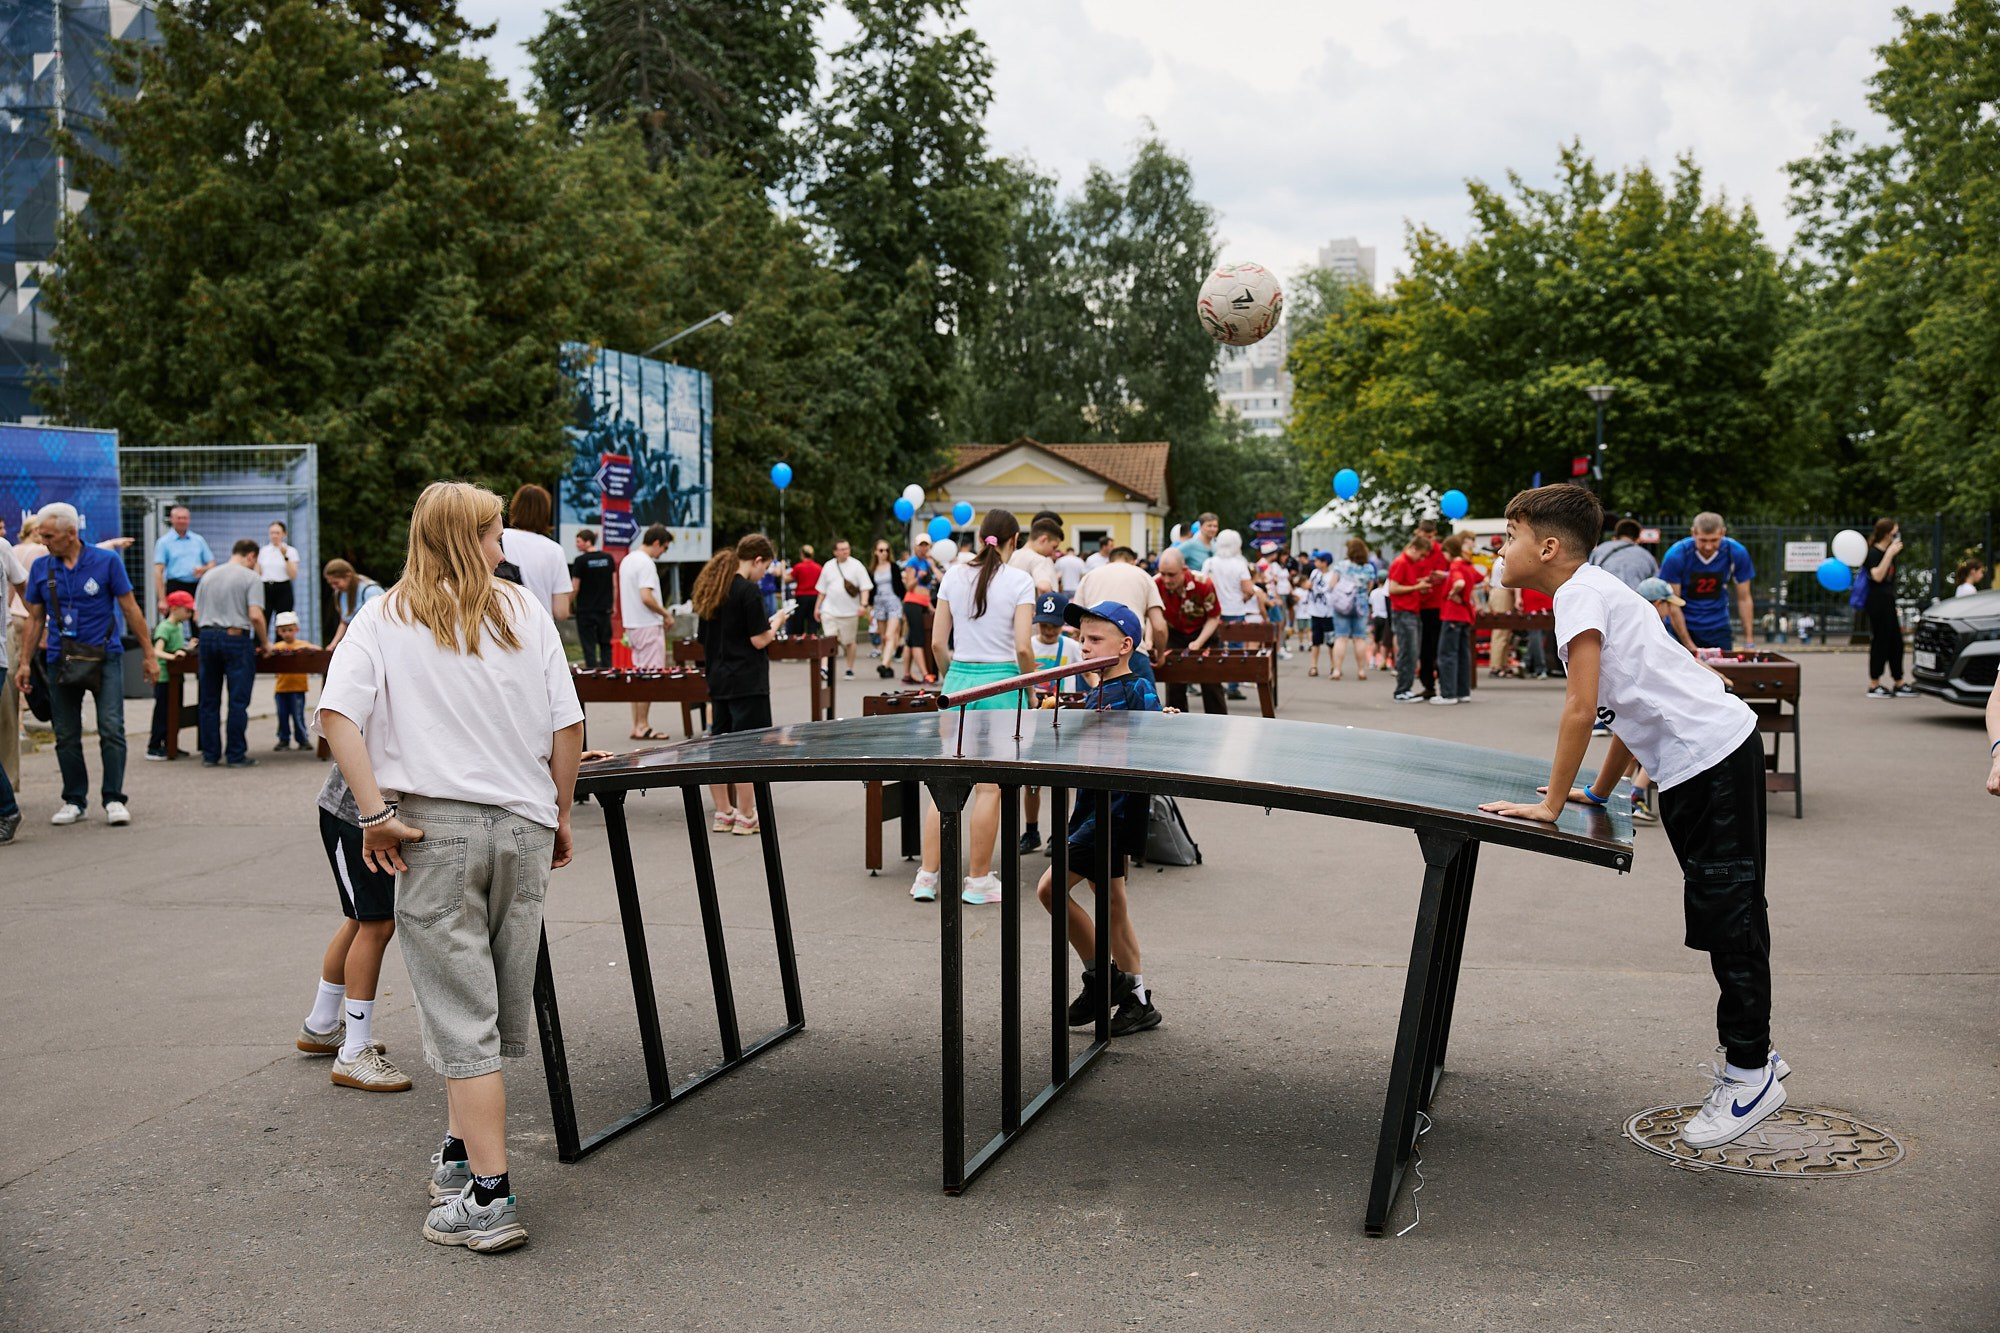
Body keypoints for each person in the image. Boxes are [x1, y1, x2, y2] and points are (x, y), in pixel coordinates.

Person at [316, 480, 585, 1254]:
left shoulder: (385, 614)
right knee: (486, 1008)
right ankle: (461, 1153)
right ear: (467, 538)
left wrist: (372, 811)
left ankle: (491, 1197)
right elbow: (567, 723)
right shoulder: (522, 610)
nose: (503, 546)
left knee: (462, 1014)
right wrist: (560, 812)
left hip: (436, 826)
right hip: (522, 824)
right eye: (495, 533)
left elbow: (339, 715)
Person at [1480, 484, 1785, 1150]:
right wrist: (1597, 788)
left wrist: (1552, 803)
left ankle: (1750, 1070)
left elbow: (1582, 706)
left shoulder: (1579, 595)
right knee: (1726, 907)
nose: (1502, 548)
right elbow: (1629, 708)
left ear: (1548, 546)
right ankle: (1751, 1056)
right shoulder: (1593, 591)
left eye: (1509, 535)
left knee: (1728, 911)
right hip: (1700, 757)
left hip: (1708, 757)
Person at [1035, 599, 1165, 1037]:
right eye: (1081, 638)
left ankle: (1102, 979)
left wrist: (1165, 721)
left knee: (1051, 890)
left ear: (1125, 645)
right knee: (1111, 901)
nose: (1084, 646)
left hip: (1115, 809)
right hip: (1091, 806)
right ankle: (1139, 1000)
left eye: (1095, 639)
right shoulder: (1098, 688)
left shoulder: (1137, 686)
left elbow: (1153, 739)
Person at [910, 509, 1036, 906]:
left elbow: (935, 645)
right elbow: (1022, 646)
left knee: (943, 786)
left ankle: (927, 877)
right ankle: (978, 881)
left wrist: (952, 678)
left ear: (982, 537)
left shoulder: (952, 575)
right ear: (1014, 539)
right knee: (989, 787)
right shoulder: (1020, 580)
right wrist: (1030, 688)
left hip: (958, 680)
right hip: (1002, 684)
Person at [15, 502, 159, 826]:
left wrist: (149, 655)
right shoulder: (42, 567)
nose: (43, 542)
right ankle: (74, 799)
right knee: (65, 732)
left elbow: (130, 609)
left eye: (49, 536)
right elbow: (35, 618)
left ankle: (113, 799)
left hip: (105, 655)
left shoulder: (106, 561)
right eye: (41, 535)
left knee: (111, 727)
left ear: (71, 534)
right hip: (60, 657)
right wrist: (24, 663)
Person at [296, 762, 413, 1094]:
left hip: (367, 814)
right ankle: (354, 1052)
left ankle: (322, 1025)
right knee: (375, 924)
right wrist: (374, 815)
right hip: (357, 817)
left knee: (363, 920)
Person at [692, 534, 787, 835]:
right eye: (766, 567)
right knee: (749, 748)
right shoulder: (748, 591)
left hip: (718, 678)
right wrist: (777, 622)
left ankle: (723, 812)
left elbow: (702, 638)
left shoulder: (713, 589)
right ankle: (746, 814)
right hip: (747, 679)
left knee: (718, 747)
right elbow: (759, 638)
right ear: (757, 560)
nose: (764, 574)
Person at [1019, 591, 1084, 854]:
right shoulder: (1028, 645)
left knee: (1061, 779)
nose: (1048, 630)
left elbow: (1087, 672)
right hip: (1034, 714)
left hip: (1063, 715)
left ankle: (1060, 832)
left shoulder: (1070, 646)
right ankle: (1031, 830)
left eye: (1054, 625)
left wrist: (1096, 688)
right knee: (1031, 781)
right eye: (1044, 625)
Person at [195, 539, 269, 768]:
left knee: (208, 700)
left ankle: (210, 754)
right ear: (251, 557)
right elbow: (255, 614)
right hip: (236, 638)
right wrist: (265, 642)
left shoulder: (208, 576)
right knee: (237, 700)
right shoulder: (251, 577)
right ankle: (235, 754)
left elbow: (196, 616)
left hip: (207, 637)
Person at [1627, 577, 1687, 825]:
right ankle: (1635, 792)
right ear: (1658, 603)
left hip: (1632, 699)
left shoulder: (1633, 625)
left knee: (1633, 747)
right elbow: (1685, 661)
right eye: (1668, 605)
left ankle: (1616, 792)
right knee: (1661, 744)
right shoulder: (1655, 629)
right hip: (1651, 701)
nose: (1670, 611)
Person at [1659, 513, 1756, 651]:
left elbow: (1744, 598)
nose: (1708, 546)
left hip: (1718, 626)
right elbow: (1673, 603)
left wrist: (1749, 641)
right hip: (1683, 626)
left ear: (1723, 533)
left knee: (1721, 671)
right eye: (1703, 540)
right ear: (1693, 533)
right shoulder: (1677, 555)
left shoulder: (1736, 553)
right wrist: (1689, 646)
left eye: (1714, 540)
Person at [1154, 547, 1224, 714]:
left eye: (1171, 575)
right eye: (1163, 573)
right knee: (1175, 682)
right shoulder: (1155, 583)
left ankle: (1218, 723)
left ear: (1183, 570)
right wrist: (1151, 640)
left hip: (1203, 632)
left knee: (1211, 682)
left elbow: (1214, 616)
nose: (1166, 579)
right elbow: (1152, 614)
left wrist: (1199, 642)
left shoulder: (1203, 583)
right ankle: (1175, 725)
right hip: (1174, 633)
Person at [1077, 546, 1168, 673]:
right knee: (1142, 691)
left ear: (1109, 561)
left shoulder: (1090, 576)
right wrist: (1160, 655)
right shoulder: (1143, 576)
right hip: (1132, 651)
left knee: (1092, 693)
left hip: (1092, 654)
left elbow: (1077, 625)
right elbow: (1159, 627)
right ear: (1133, 561)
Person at [618, 525, 672, 738]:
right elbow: (646, 597)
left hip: (632, 625)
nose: (663, 553)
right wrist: (665, 614)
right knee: (649, 677)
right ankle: (642, 725)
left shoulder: (628, 559)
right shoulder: (646, 562)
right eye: (664, 548)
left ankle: (637, 725)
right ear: (657, 542)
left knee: (639, 675)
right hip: (647, 624)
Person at [499, 484, 571, 623]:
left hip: (505, 626)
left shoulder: (499, 538)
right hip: (540, 631)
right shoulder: (555, 550)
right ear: (545, 512)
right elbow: (561, 611)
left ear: (515, 508)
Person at [1861, 518, 1912, 698]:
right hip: (1876, 601)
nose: (1896, 536)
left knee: (1896, 641)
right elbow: (1877, 576)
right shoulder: (1873, 552)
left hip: (1888, 600)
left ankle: (1899, 681)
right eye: (1894, 532)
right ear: (1885, 533)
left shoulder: (1890, 551)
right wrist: (1889, 554)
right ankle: (1874, 684)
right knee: (1880, 641)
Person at [142, 591, 196, 760]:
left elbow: (177, 649)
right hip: (165, 676)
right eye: (186, 610)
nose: (189, 614)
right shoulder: (165, 627)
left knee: (175, 712)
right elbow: (157, 650)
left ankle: (170, 742)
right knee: (162, 711)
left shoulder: (178, 627)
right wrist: (173, 657)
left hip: (176, 676)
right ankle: (154, 746)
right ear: (175, 608)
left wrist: (188, 648)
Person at [1385, 533, 1438, 702]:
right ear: (1414, 548)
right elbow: (1393, 589)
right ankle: (1402, 690)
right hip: (1403, 612)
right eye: (1421, 554)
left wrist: (1418, 585)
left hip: (1410, 611)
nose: (1422, 559)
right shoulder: (1401, 562)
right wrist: (1417, 586)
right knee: (1408, 652)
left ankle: (1404, 689)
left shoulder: (1406, 562)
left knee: (1411, 652)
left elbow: (1401, 585)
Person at [1433, 533, 1484, 704]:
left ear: (1449, 551)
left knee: (1447, 654)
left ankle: (1448, 693)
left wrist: (1452, 593)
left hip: (1452, 614)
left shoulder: (1455, 566)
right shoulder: (1467, 565)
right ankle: (1463, 691)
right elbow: (1481, 578)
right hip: (1465, 615)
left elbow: (1459, 583)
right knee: (1463, 654)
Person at [815, 538, 870, 680]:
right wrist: (817, 607)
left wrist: (863, 605)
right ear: (835, 552)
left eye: (847, 548)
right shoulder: (828, 566)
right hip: (829, 610)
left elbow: (865, 587)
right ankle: (825, 668)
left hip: (850, 612)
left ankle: (849, 668)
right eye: (842, 549)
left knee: (849, 642)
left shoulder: (857, 566)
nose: (846, 551)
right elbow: (822, 590)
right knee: (829, 638)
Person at [0, 519, 27, 794]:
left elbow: (24, 590)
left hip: (3, 640)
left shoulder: (3, 548)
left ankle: (7, 787)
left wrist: (41, 629)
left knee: (6, 717)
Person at [1327, 538, 1377, 682]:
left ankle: (1336, 670)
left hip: (1342, 605)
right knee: (1359, 638)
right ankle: (1361, 670)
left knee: (1341, 637)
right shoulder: (1368, 568)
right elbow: (1369, 586)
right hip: (1360, 605)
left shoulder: (1341, 566)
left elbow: (1332, 584)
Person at [269, 611, 319, 751]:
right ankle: (283, 739)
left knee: (298, 716)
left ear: (296, 630)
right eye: (284, 630)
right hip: (281, 688)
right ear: (279, 631)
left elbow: (318, 649)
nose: (287, 633)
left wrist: (304, 648)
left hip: (298, 688)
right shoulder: (277, 647)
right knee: (282, 716)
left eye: (290, 630)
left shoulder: (302, 644)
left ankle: (303, 739)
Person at [151, 505, 215, 614]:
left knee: (197, 623)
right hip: (175, 585)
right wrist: (162, 599)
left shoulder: (198, 540)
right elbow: (158, 571)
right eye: (179, 518)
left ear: (189, 519)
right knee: (173, 623)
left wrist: (203, 569)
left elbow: (212, 563)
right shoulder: (164, 542)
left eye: (185, 518)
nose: (182, 521)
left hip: (195, 586)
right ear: (172, 519)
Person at [568, 529, 617, 669]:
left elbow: (575, 587)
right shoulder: (608, 558)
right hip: (604, 609)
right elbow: (614, 584)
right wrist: (613, 605)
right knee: (605, 644)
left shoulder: (580, 561)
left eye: (578, 541)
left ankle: (592, 676)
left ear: (588, 541)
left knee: (589, 646)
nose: (576, 545)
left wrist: (568, 603)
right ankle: (608, 673)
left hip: (585, 611)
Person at [1414, 519, 1449, 698]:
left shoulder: (1441, 551)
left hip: (1437, 604)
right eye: (1424, 536)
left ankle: (1445, 686)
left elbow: (1453, 571)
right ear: (1418, 533)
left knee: (1438, 647)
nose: (1428, 539)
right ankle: (1428, 685)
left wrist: (1443, 576)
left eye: (1430, 536)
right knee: (1424, 649)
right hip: (1419, 604)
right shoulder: (1415, 551)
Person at [324, 559, 384, 652]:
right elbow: (344, 621)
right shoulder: (341, 594)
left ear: (348, 575)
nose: (334, 587)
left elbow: (380, 619)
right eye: (331, 584)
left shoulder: (370, 590)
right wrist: (334, 644)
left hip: (375, 639)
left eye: (336, 583)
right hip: (359, 641)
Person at [1588, 518, 1658, 591]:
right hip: (1634, 598)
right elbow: (1654, 584)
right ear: (1638, 539)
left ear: (1615, 537)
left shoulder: (1600, 550)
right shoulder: (1647, 556)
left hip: (1604, 597)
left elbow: (1589, 573)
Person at [869, 540, 903, 679]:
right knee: (883, 637)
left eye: (886, 550)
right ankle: (888, 667)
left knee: (890, 635)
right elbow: (871, 590)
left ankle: (883, 664)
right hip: (879, 602)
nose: (884, 553)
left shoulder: (893, 567)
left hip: (893, 601)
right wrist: (869, 608)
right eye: (881, 550)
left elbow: (900, 586)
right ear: (876, 552)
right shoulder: (873, 569)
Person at [899, 564, 935, 684]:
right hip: (912, 603)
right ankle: (925, 674)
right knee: (917, 640)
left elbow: (926, 592)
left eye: (927, 546)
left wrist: (930, 607)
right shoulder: (912, 564)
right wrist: (918, 577)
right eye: (922, 545)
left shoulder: (928, 563)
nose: (925, 549)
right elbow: (909, 587)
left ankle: (906, 675)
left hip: (922, 605)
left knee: (910, 640)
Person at [258, 520, 300, 622]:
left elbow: (293, 575)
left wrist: (285, 556)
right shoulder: (263, 551)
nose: (274, 536)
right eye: (272, 533)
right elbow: (258, 572)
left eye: (277, 533)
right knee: (263, 618)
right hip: (266, 588)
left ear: (284, 534)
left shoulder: (291, 551)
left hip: (283, 588)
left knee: (284, 620)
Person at [1011, 516, 1062, 594]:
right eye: (1053, 547)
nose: (1053, 552)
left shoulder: (1013, 555)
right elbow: (1044, 587)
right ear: (1044, 540)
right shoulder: (1038, 559)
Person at [787, 544, 821, 635]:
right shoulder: (818, 567)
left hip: (802, 596)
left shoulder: (798, 567)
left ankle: (799, 638)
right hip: (815, 596)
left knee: (799, 619)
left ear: (802, 554)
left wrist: (783, 569)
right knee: (812, 620)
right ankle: (812, 637)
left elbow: (787, 579)